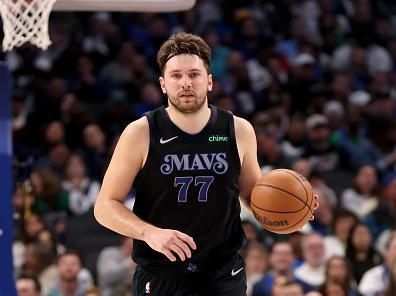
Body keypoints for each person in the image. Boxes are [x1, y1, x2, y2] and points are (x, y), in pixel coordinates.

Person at [94, 32, 318, 295]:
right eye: (176, 76)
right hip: (161, 271)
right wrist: (148, 233)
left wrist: (290, 210)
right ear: (163, 84)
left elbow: (253, 197)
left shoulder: (238, 130)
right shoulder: (140, 133)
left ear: (209, 81)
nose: (185, 83)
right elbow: (104, 207)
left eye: (194, 74)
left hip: (222, 272)